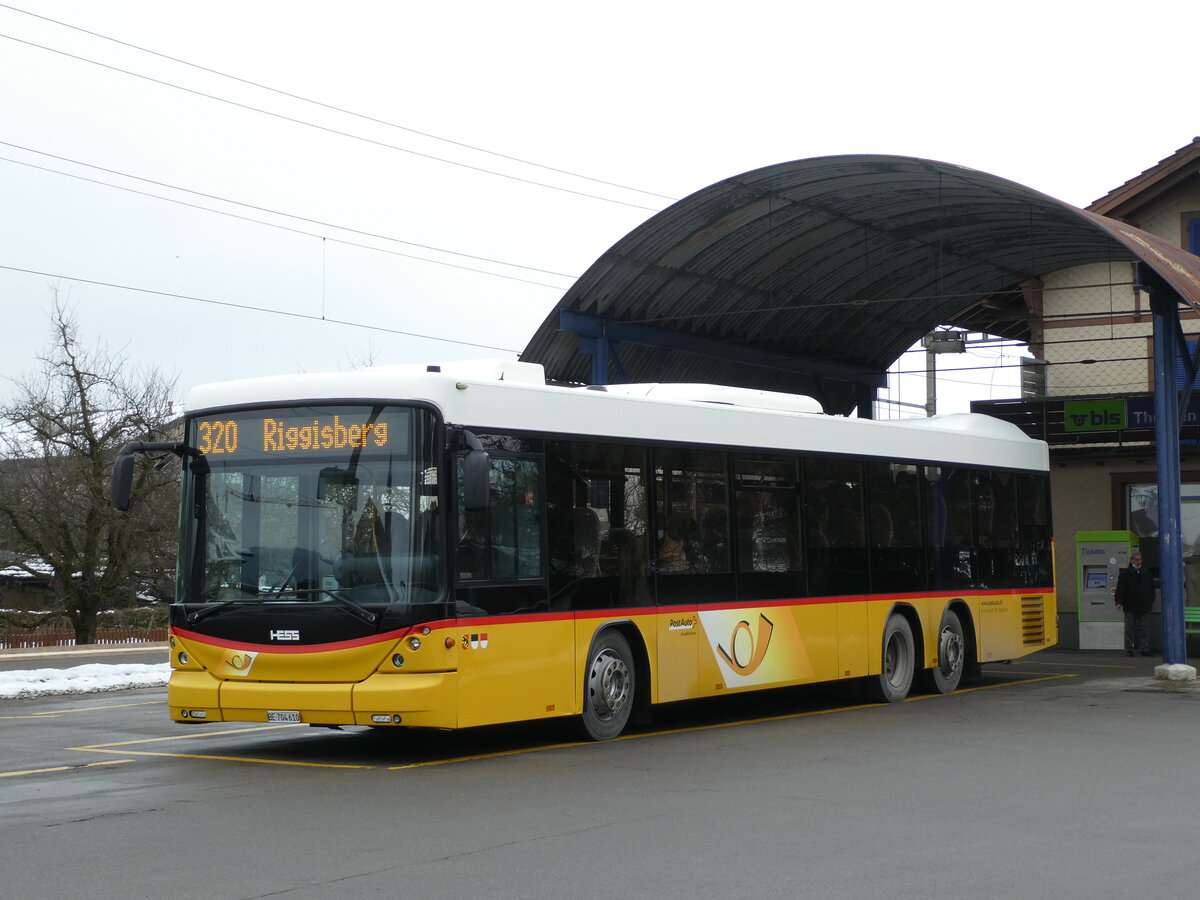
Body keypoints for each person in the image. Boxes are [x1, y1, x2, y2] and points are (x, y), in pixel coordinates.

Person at [1114, 551, 1156, 656]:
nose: (1138, 562)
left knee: (1144, 629)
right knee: (1129, 629)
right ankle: (1129, 649)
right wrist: (1119, 602)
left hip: (1144, 605)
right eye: (1136, 560)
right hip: (1130, 606)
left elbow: (1152, 589)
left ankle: (1144, 649)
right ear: (1131, 560)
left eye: (1140, 560)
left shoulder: (1146, 573)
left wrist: (1150, 601)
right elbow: (1120, 589)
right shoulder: (1125, 574)